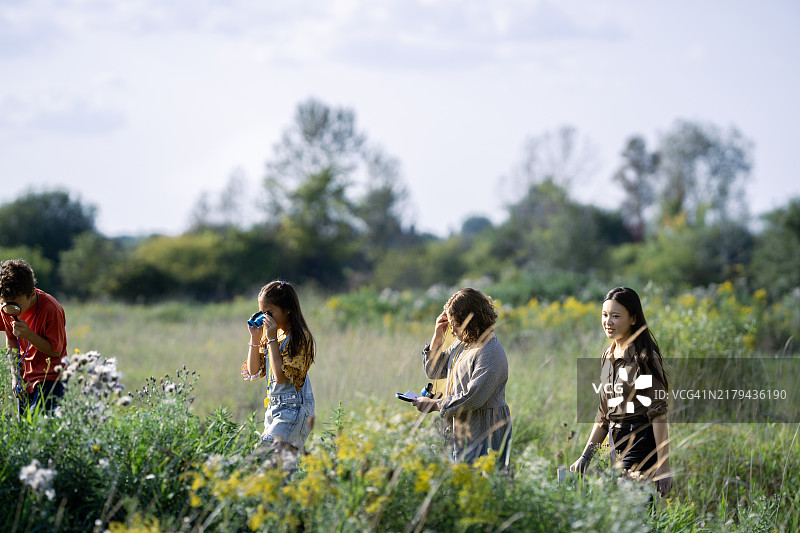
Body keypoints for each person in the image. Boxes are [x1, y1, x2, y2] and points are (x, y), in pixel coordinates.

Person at [570, 287, 673, 497]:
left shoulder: (644, 358)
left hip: (641, 440)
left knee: (633, 510)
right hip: (613, 442)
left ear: (633, 318)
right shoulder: (608, 355)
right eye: (605, 315)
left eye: (616, 316)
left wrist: (663, 467)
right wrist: (585, 457)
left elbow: (658, 414)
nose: (608, 321)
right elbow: (603, 415)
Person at [412, 288, 512, 465]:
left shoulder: (490, 352)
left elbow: (474, 397)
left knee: (484, 484)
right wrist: (438, 335)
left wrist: (435, 405)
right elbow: (435, 371)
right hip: (462, 427)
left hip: (485, 429)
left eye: (455, 325)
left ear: (471, 322)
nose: (452, 331)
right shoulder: (464, 344)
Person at [241, 280, 315, 453]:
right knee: (282, 470)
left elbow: (281, 378)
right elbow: (253, 371)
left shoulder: (299, 337)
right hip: (274, 409)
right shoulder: (273, 336)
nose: (265, 318)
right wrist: (255, 338)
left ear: (287, 309)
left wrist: (272, 339)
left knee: (262, 454)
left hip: (294, 410)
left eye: (269, 313)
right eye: (261, 312)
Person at [0, 259, 68, 416]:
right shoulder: (6, 309)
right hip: (25, 380)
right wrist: (15, 376)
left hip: (50, 379)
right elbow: (11, 340)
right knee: (25, 430)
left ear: (31, 294)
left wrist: (28, 335)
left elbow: (55, 351)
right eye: (4, 303)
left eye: (15, 304)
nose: (10, 309)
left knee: (39, 427)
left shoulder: (51, 309)